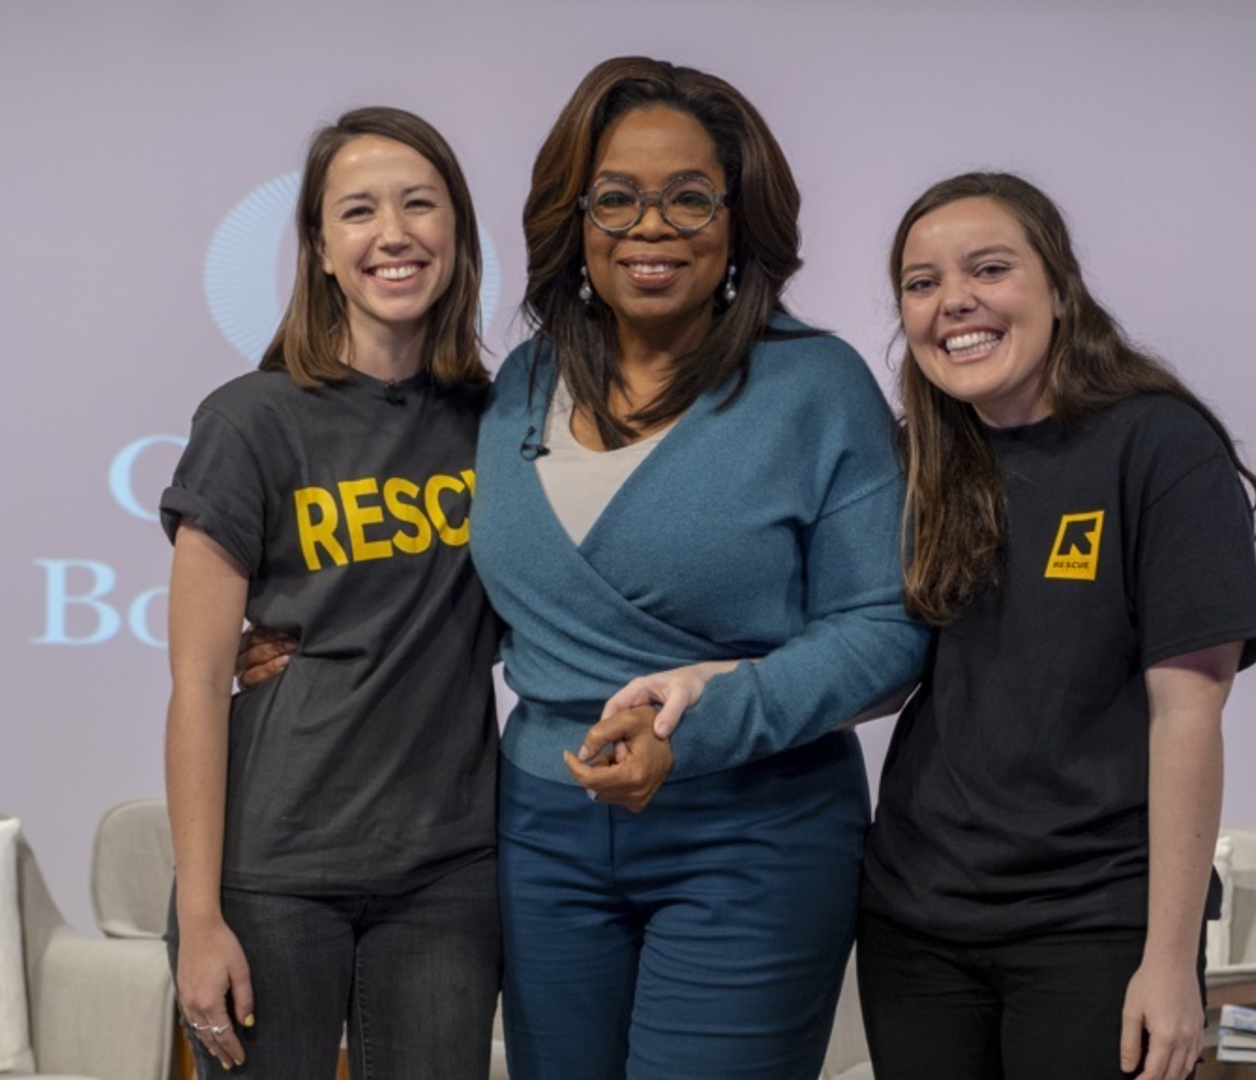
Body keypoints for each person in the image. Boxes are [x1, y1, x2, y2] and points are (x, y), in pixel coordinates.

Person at [466, 57, 931, 1080]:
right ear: (573, 216)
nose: (651, 226)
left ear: (739, 219)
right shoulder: (519, 385)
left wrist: (701, 726)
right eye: (617, 198)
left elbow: (886, 631)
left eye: (689, 198)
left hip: (752, 835)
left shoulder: (816, 385)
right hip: (544, 832)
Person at [856, 172, 1256, 1080]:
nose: (953, 301)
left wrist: (1169, 962)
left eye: (989, 268)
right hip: (915, 924)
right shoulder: (917, 460)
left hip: (1096, 925)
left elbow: (1189, 714)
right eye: (921, 284)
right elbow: (864, 663)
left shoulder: (1158, 446)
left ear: (1058, 286)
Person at [160, 107, 500, 1080]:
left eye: (418, 205)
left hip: (447, 873)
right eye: (357, 211)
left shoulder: (497, 419)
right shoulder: (250, 421)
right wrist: (199, 917)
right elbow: (196, 686)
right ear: (318, 248)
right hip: (274, 872)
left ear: (455, 235)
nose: (392, 232)